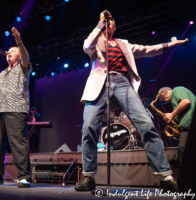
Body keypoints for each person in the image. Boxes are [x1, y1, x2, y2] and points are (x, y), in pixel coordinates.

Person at [76, 11, 188, 192]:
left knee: (146, 125)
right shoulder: (95, 41)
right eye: (107, 20)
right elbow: (86, 45)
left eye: (112, 20)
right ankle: (89, 176)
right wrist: (99, 23)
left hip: (122, 83)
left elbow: (146, 50)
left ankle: (165, 176)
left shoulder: (123, 44)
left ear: (115, 26)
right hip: (99, 84)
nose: (110, 22)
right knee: (88, 127)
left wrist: (169, 45)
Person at [0, 27, 32, 188]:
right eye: (8, 51)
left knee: (18, 142)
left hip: (16, 109)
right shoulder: (1, 74)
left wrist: (19, 41)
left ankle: (24, 176)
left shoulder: (23, 68)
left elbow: (26, 57)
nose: (9, 53)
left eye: (13, 51)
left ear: (19, 55)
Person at [158, 87, 195, 165]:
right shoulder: (175, 99)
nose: (166, 102)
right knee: (184, 149)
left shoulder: (176, 90)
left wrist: (172, 114)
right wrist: (172, 116)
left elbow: (185, 101)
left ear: (164, 95)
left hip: (190, 124)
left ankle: (185, 173)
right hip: (187, 126)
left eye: (163, 100)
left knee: (182, 149)